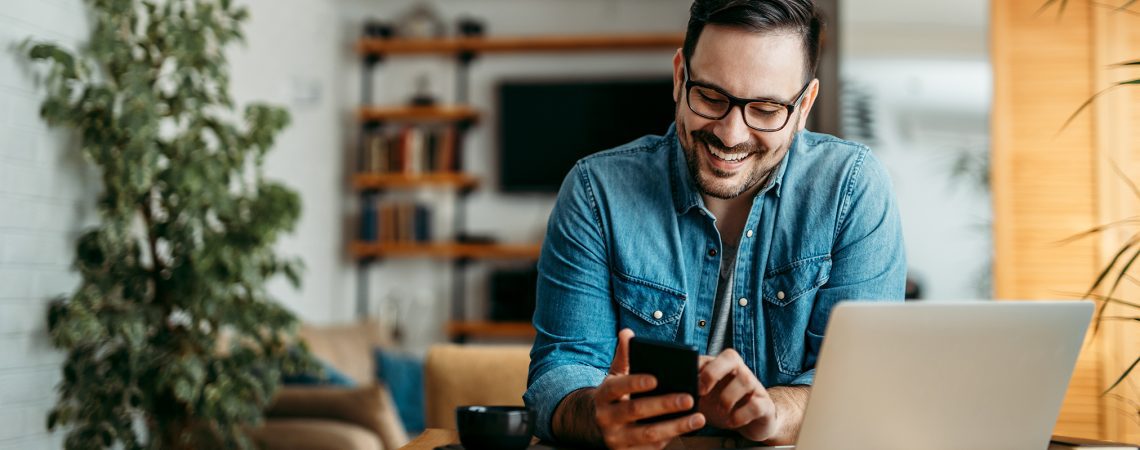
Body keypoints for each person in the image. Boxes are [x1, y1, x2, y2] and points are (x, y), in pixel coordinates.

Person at [523, 0, 907, 448]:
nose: (731, 134)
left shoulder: (852, 190)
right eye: (711, 97)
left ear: (805, 106)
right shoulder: (595, 192)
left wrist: (773, 412)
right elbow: (560, 373)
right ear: (679, 78)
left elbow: (861, 384)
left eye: (765, 109)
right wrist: (596, 414)